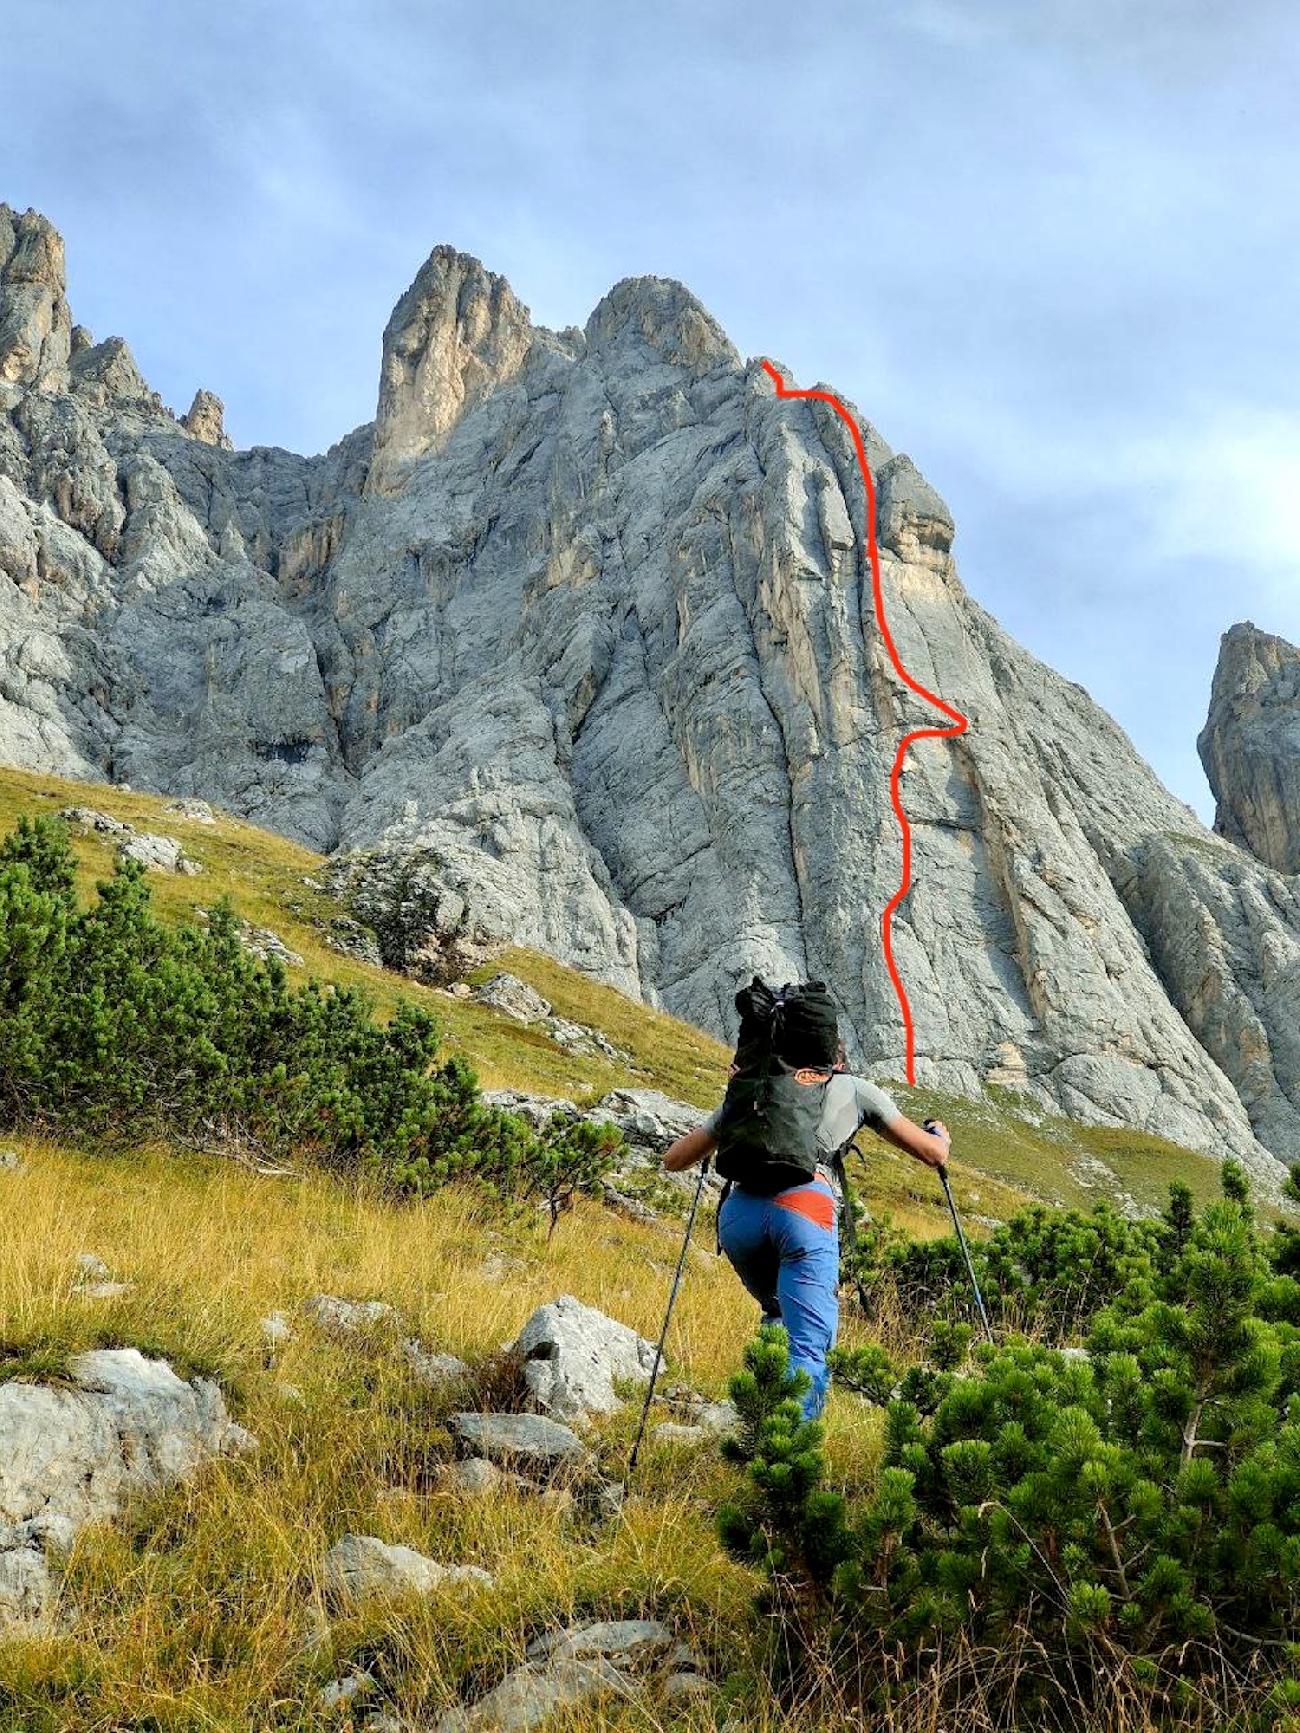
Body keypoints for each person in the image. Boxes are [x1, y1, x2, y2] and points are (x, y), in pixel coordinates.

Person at [662, 989, 950, 1420]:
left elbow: (674, 1160)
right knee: (810, 1343)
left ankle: (759, 1423)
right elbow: (932, 1154)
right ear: (833, 1054)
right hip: (804, 1210)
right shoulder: (854, 1089)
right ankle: (788, 1455)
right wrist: (941, 1134)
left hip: (738, 1216)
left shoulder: (755, 1089)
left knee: (778, 1312)